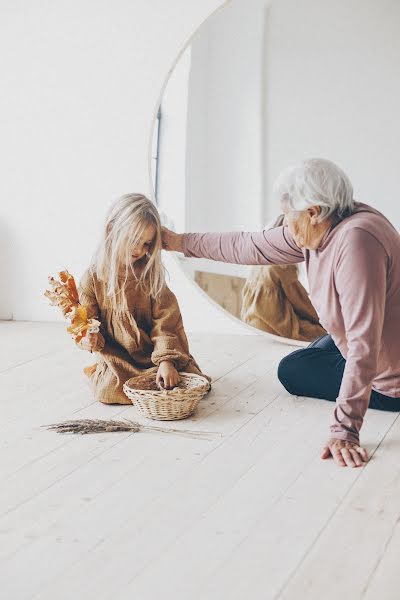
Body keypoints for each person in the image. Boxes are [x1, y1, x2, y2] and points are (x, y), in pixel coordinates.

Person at [161, 158, 400, 468]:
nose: (286, 224)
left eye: (289, 216)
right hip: (373, 341)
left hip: (390, 382)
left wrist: (345, 430)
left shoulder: (357, 242)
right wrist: (177, 242)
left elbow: (363, 345)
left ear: (313, 212)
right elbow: (249, 246)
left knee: (292, 369)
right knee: (324, 346)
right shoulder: (329, 222)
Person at [78, 193, 208, 404]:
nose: (140, 250)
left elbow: (166, 323)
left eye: (147, 244)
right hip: (118, 359)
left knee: (189, 379)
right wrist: (89, 339)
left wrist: (166, 361)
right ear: (112, 230)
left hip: (153, 355)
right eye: (134, 241)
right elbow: (87, 323)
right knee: (108, 390)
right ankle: (140, 384)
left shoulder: (150, 277)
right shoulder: (92, 279)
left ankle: (161, 371)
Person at [241, 215, 326, 341]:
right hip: (279, 329)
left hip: (254, 325)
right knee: (328, 337)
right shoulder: (281, 266)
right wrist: (322, 322)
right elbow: (301, 303)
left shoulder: (258, 266)